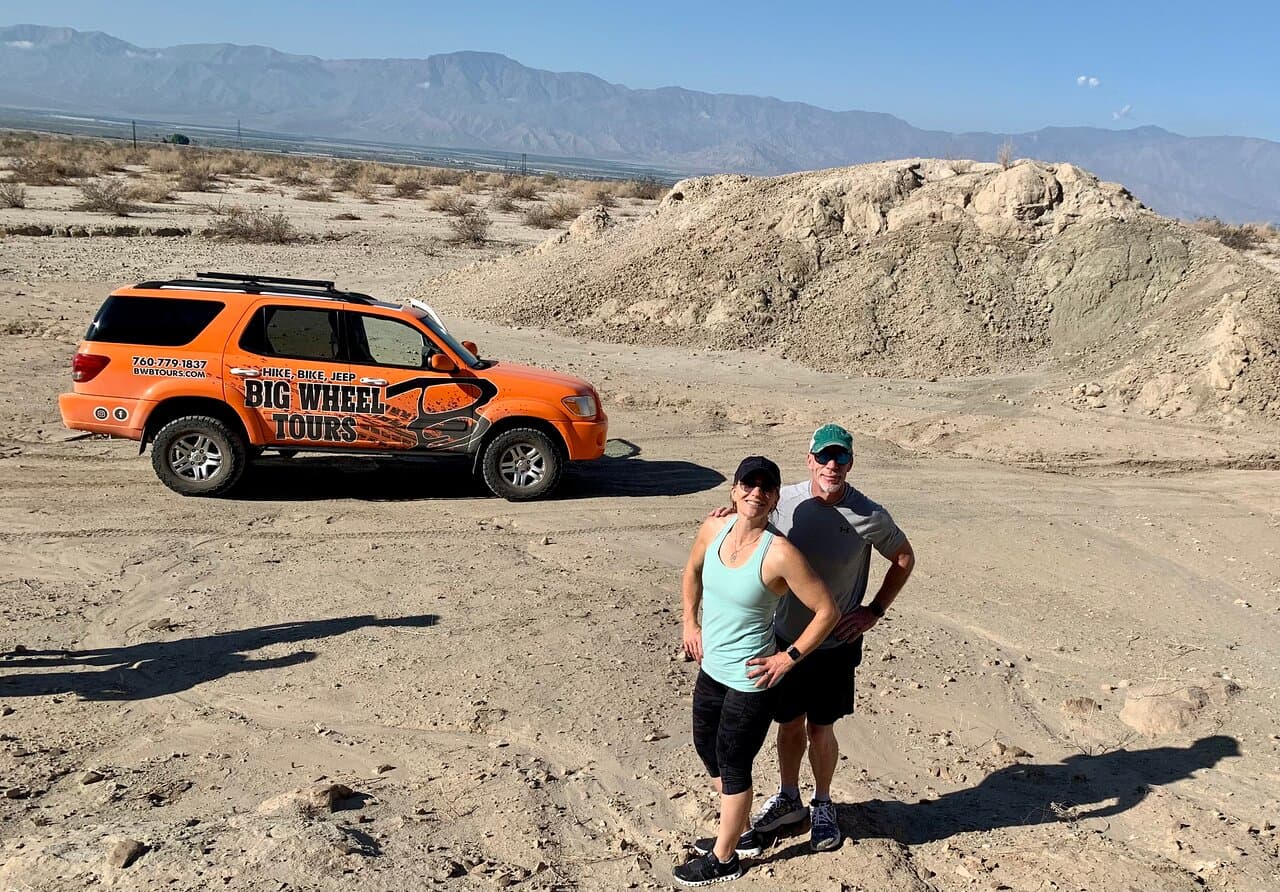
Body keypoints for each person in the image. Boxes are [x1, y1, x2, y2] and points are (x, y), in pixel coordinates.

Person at [749, 423, 915, 853]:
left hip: (835, 645)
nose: (831, 465)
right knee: (788, 724)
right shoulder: (785, 502)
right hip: (786, 639)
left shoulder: (868, 514)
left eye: (840, 457)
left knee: (820, 730)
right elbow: (747, 516)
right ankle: (789, 797)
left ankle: (823, 802)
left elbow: (903, 556)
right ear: (810, 460)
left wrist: (874, 610)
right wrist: (723, 515)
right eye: (824, 456)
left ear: (850, 463)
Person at [674, 456, 838, 887]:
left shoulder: (779, 553)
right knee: (707, 748)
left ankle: (724, 858)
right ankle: (742, 833)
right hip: (712, 668)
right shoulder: (713, 528)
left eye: (767, 488)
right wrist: (690, 622)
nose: (756, 493)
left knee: (733, 764)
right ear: (734, 490)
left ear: (775, 498)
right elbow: (692, 571)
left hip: (751, 680)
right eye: (749, 484)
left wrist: (789, 657)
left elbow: (827, 610)